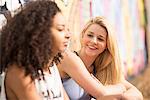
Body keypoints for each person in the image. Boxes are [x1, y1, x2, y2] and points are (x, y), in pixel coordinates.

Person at [58, 17, 143, 100]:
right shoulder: (69, 58)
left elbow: (138, 94)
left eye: (100, 39)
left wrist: (124, 97)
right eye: (90, 35)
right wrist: (121, 88)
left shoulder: (102, 69)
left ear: (107, 45)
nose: (94, 41)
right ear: (83, 35)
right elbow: (102, 94)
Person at [0, 0, 70, 99]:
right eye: (60, 29)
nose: (68, 35)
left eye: (67, 29)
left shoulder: (51, 68)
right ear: (40, 32)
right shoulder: (20, 73)